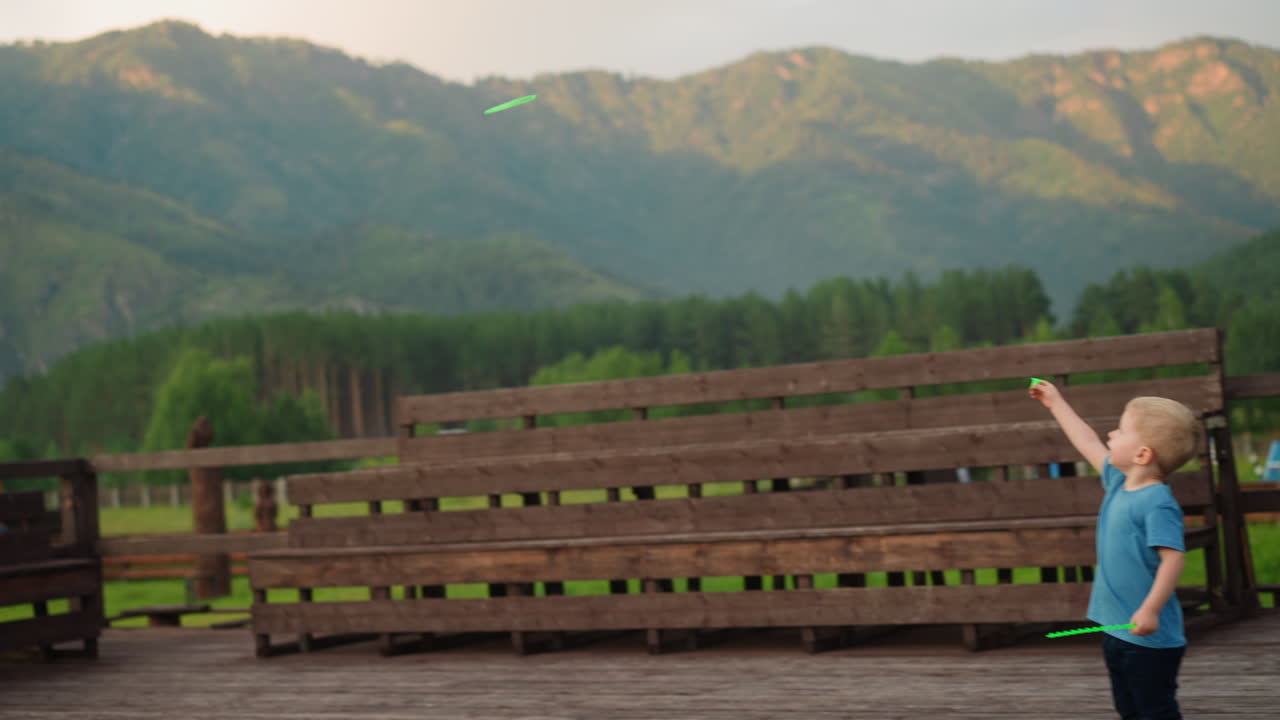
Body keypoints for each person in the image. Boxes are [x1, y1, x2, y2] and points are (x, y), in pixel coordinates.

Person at [1029, 380, 1197, 720]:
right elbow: (1086, 439)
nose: (1111, 434)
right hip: (1117, 632)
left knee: (1156, 711)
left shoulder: (1157, 502)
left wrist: (1150, 609)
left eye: (1120, 431)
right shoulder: (1119, 482)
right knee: (1129, 708)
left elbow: (1173, 558)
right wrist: (1055, 402)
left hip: (1149, 639)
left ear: (1142, 455)